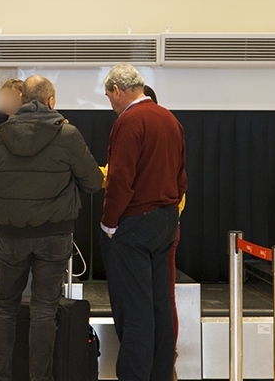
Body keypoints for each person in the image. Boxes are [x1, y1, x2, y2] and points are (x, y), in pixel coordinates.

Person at [0, 75, 104, 381]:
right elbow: (93, 181)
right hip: (54, 234)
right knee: (45, 310)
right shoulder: (68, 135)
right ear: (51, 101)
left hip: (10, 234)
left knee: (4, 308)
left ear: (21, 100)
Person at [100, 64, 187, 381]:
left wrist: (109, 224)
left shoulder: (129, 121)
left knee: (134, 308)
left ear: (118, 91)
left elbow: (120, 179)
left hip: (134, 223)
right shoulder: (169, 119)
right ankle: (161, 374)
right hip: (166, 219)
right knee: (160, 304)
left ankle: (135, 375)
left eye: (109, 96)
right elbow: (181, 176)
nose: (111, 104)